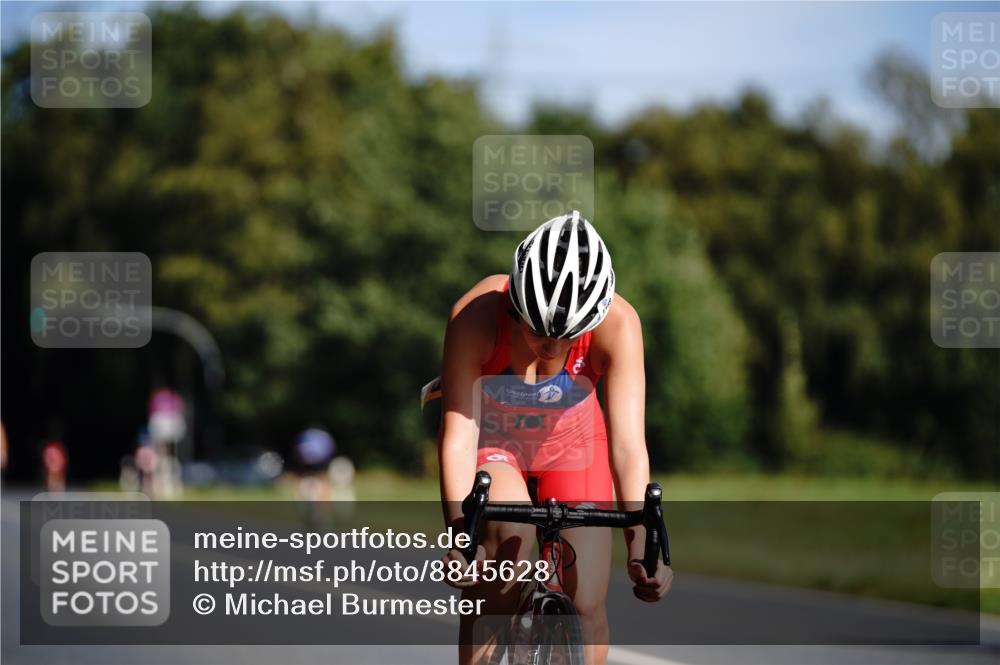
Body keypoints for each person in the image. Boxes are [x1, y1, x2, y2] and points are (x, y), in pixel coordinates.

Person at [435, 211, 672, 665]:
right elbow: (459, 438)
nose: (552, 348)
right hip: (495, 444)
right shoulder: (475, 315)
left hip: (575, 445)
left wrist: (642, 548)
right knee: (507, 548)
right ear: (514, 304)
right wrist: (462, 539)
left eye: (569, 337)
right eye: (539, 331)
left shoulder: (620, 324)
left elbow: (628, 448)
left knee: (586, 603)